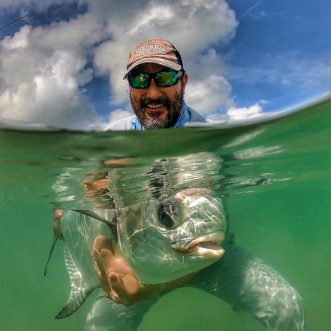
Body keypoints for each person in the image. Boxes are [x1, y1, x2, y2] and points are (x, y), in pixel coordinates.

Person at [63, 39, 305, 330]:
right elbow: (93, 194)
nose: (152, 92)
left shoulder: (207, 140)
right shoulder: (110, 142)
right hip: (136, 262)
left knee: (287, 307)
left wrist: (156, 284)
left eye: (164, 77)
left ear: (184, 81)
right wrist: (105, 256)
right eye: (140, 79)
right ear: (130, 88)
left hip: (204, 257)